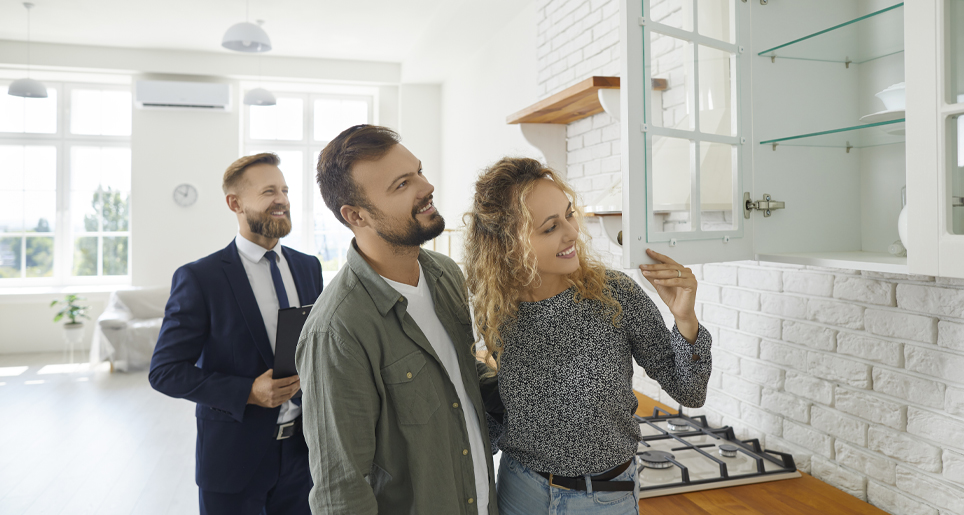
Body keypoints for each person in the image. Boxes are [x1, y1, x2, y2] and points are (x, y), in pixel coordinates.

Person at [463, 157, 713, 515]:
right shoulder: (494, 309)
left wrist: (685, 317)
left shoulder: (614, 294)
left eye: (569, 215)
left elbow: (691, 392)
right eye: (550, 228)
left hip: (606, 498)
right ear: (508, 245)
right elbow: (498, 408)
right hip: (521, 491)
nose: (571, 233)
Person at [295, 124, 498, 514]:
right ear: (356, 215)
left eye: (418, 171)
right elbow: (341, 490)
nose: (426, 187)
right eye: (402, 184)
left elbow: (456, 376)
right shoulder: (336, 330)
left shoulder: (444, 274)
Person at [149, 153, 323, 515]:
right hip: (233, 459)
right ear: (235, 203)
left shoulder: (309, 267)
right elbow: (164, 371)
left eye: (285, 190)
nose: (283, 200)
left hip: (303, 456)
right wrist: (248, 392)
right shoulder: (200, 278)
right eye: (269, 191)